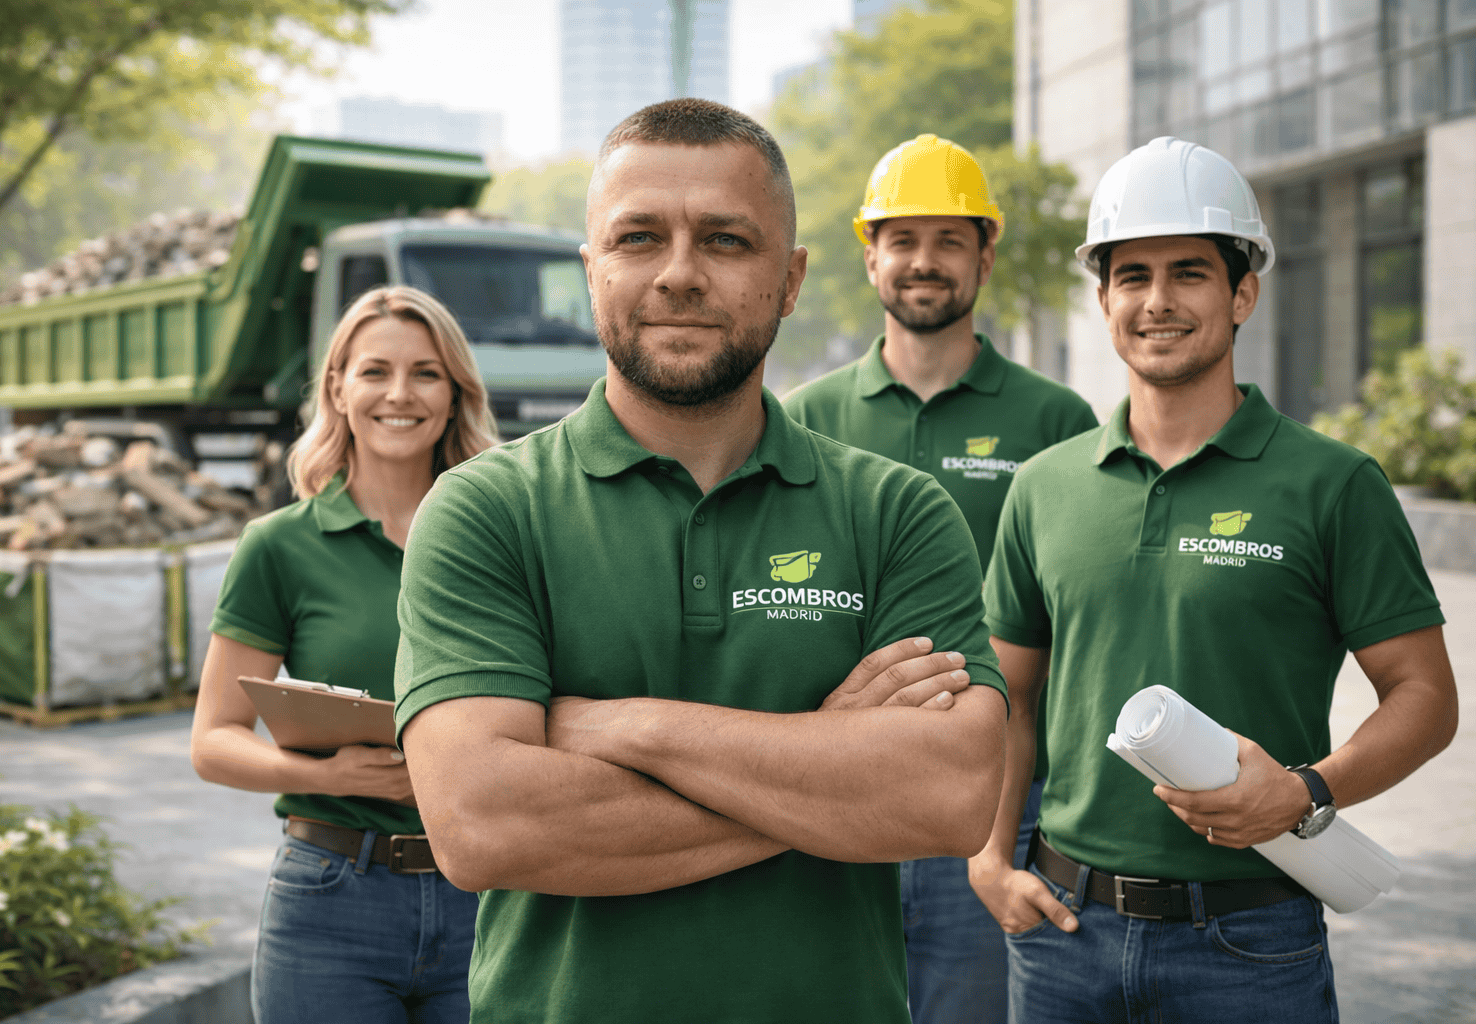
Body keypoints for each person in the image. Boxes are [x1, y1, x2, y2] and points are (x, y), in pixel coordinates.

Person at [394, 98, 1011, 1024]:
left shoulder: (896, 512)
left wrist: (628, 729)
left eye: (726, 241)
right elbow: (482, 824)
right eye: (639, 238)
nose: (680, 275)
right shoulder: (488, 510)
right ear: (591, 269)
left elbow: (950, 797)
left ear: (792, 277)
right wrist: (826, 761)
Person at [970, 136, 1458, 1024]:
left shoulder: (1333, 484)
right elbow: (1007, 697)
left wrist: (1306, 790)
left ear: (1243, 293)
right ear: (1105, 299)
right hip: (1061, 937)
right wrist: (990, 857)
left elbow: (1424, 696)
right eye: (1132, 276)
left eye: (1189, 272)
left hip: (1252, 943)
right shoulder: (1043, 486)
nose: (1157, 301)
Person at [783, 133, 1097, 1024]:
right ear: (870, 254)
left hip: (996, 800)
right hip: (839, 794)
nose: (924, 261)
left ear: (985, 254)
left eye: (949, 240)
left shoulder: (1054, 418)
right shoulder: (807, 422)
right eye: (903, 239)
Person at [189, 285, 501, 1024]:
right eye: (374, 371)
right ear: (337, 387)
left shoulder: (501, 538)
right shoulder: (279, 547)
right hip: (332, 904)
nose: (401, 393)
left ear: (456, 394)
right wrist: (325, 772)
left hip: (485, 894)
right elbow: (213, 742)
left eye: (427, 373)